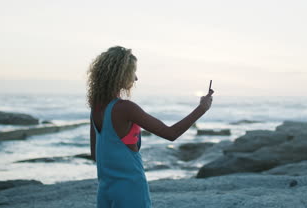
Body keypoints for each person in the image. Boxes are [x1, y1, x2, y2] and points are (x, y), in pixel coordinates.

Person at [87, 46, 214, 208]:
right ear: (120, 75)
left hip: (105, 191)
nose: (136, 78)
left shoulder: (96, 108)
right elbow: (171, 133)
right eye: (133, 72)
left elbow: (95, 155)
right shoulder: (126, 108)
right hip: (131, 190)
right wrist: (201, 109)